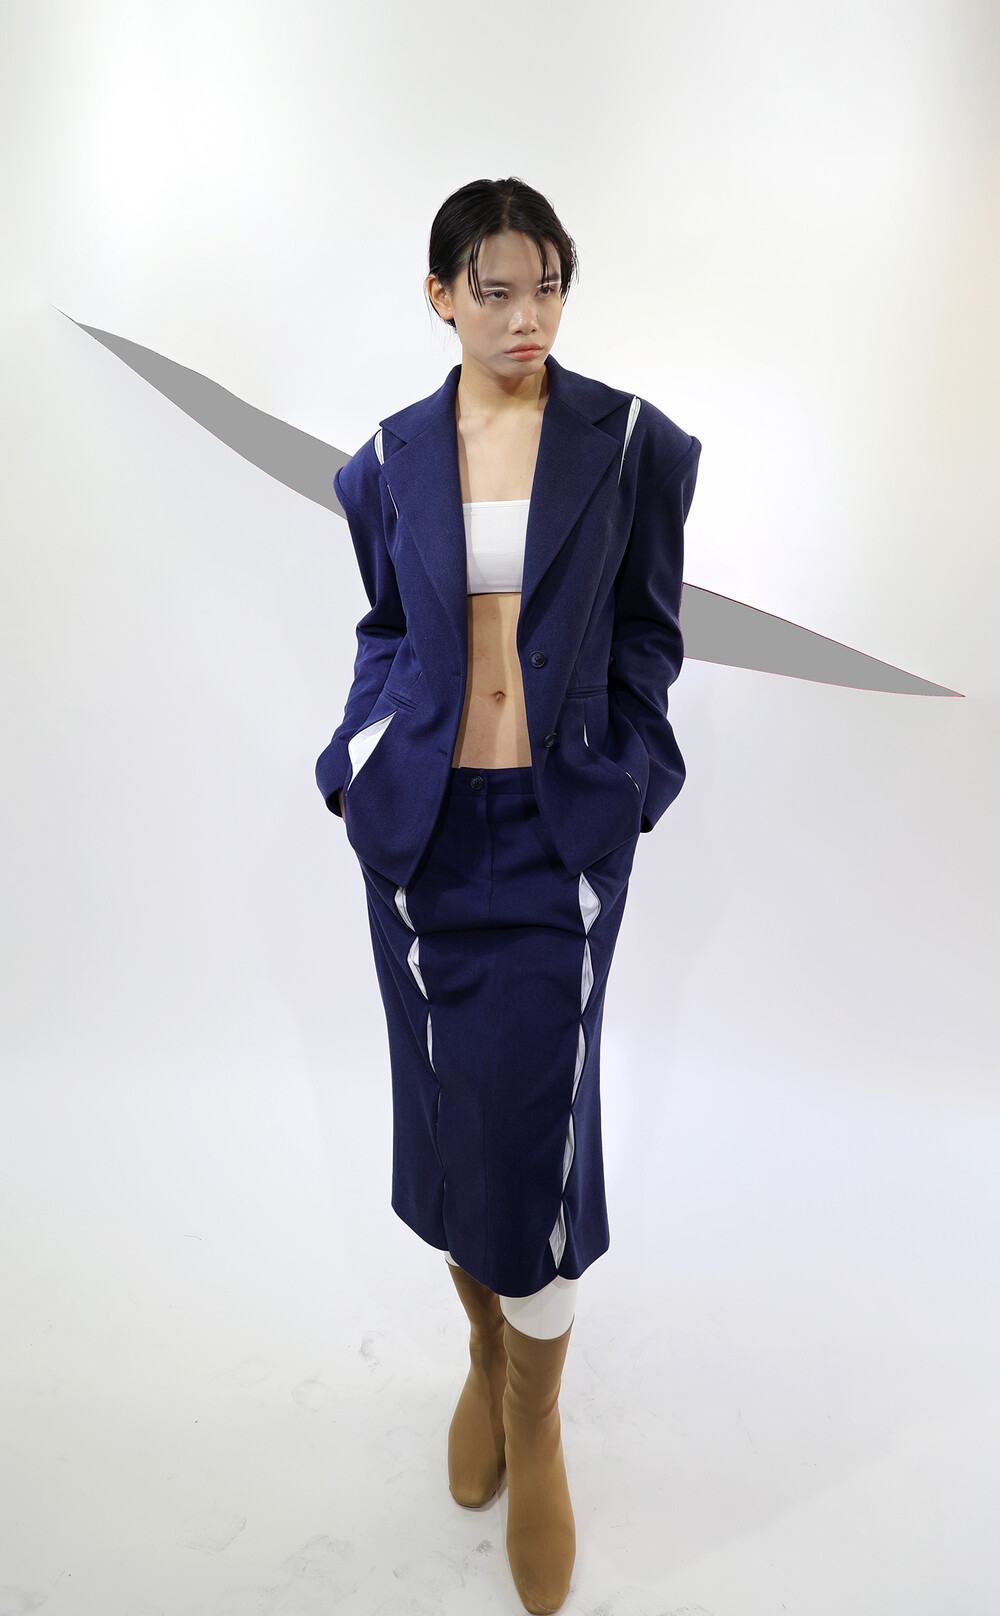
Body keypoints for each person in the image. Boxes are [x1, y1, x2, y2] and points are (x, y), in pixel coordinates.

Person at [316, 176, 702, 1615]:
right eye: (496, 290)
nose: (528, 316)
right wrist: (357, 761)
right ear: (440, 296)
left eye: (549, 286)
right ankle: (482, 1353)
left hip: (556, 842)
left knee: (529, 1136)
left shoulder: (630, 445)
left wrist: (632, 781)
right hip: (420, 839)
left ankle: (535, 1426)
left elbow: (650, 636)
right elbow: (384, 629)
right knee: (446, 1123)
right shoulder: (387, 458)